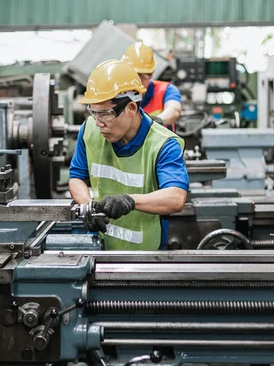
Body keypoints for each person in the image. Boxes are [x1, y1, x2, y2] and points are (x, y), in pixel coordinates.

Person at [69, 59, 189, 250]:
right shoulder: (89, 130)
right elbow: (76, 177)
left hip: (146, 259)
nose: (99, 122)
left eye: (106, 114)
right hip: (99, 251)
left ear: (131, 108)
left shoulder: (163, 144)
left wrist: (130, 201)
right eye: (94, 113)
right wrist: (88, 207)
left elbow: (176, 198)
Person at [121, 42, 182, 131]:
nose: (136, 81)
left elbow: (174, 110)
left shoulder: (167, 90)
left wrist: (154, 121)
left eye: (142, 76)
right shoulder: (116, 94)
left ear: (151, 74)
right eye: (132, 75)